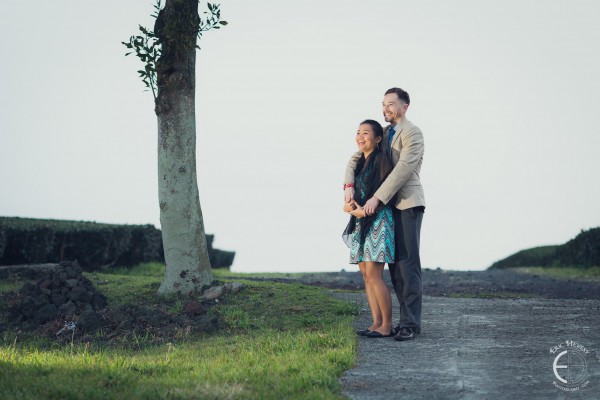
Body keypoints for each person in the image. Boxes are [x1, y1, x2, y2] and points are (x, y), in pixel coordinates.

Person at [344, 87, 425, 341]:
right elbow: (357, 157)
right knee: (391, 266)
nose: (386, 108)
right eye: (383, 104)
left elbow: (402, 169)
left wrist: (377, 197)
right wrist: (348, 186)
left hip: (406, 203)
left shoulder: (412, 133)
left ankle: (409, 324)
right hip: (384, 209)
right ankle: (391, 323)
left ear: (405, 106)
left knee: (407, 265)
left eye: (391, 104)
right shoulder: (385, 132)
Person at [342, 119, 395, 338]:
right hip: (359, 221)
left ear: (378, 138)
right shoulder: (359, 162)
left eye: (366, 133)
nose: (360, 137)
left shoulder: (381, 160)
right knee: (365, 275)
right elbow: (357, 194)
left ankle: (387, 325)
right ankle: (376, 323)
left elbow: (385, 193)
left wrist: (364, 210)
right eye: (358, 133)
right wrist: (349, 206)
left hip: (377, 221)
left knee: (374, 275)